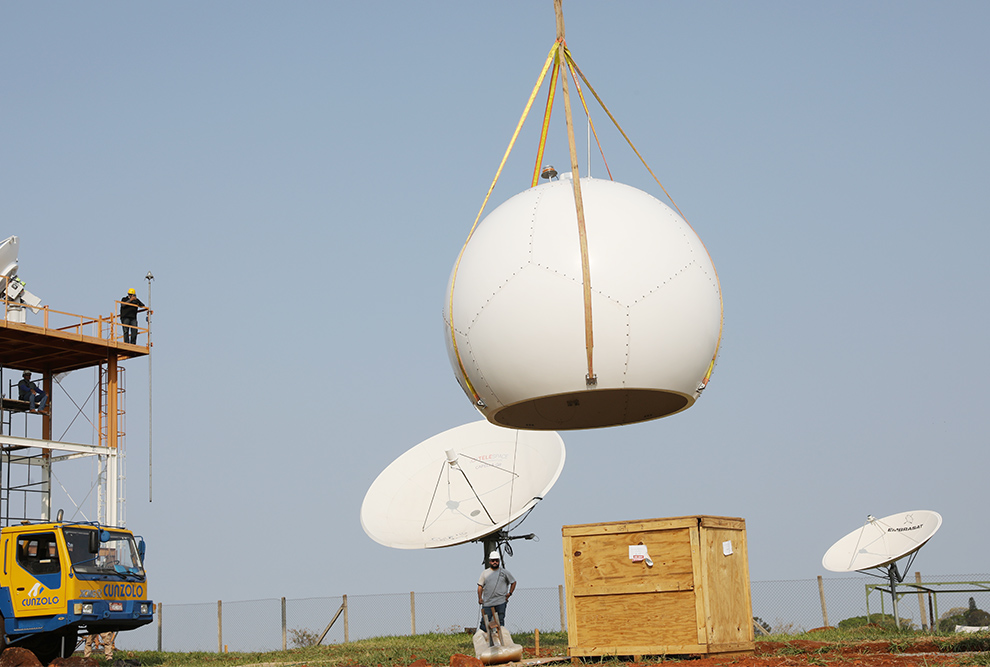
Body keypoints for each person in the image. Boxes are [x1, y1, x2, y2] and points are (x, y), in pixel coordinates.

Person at [478, 550, 516, 631]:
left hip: (500, 602)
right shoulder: (485, 573)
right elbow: (480, 586)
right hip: (487, 603)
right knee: (484, 623)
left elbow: (513, 582)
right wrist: (480, 598)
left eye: (496, 560)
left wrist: (509, 593)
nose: (494, 562)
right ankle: (485, 640)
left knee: (500, 622)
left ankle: (500, 639)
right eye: (493, 560)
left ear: (499, 561)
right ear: (489, 561)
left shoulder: (504, 572)